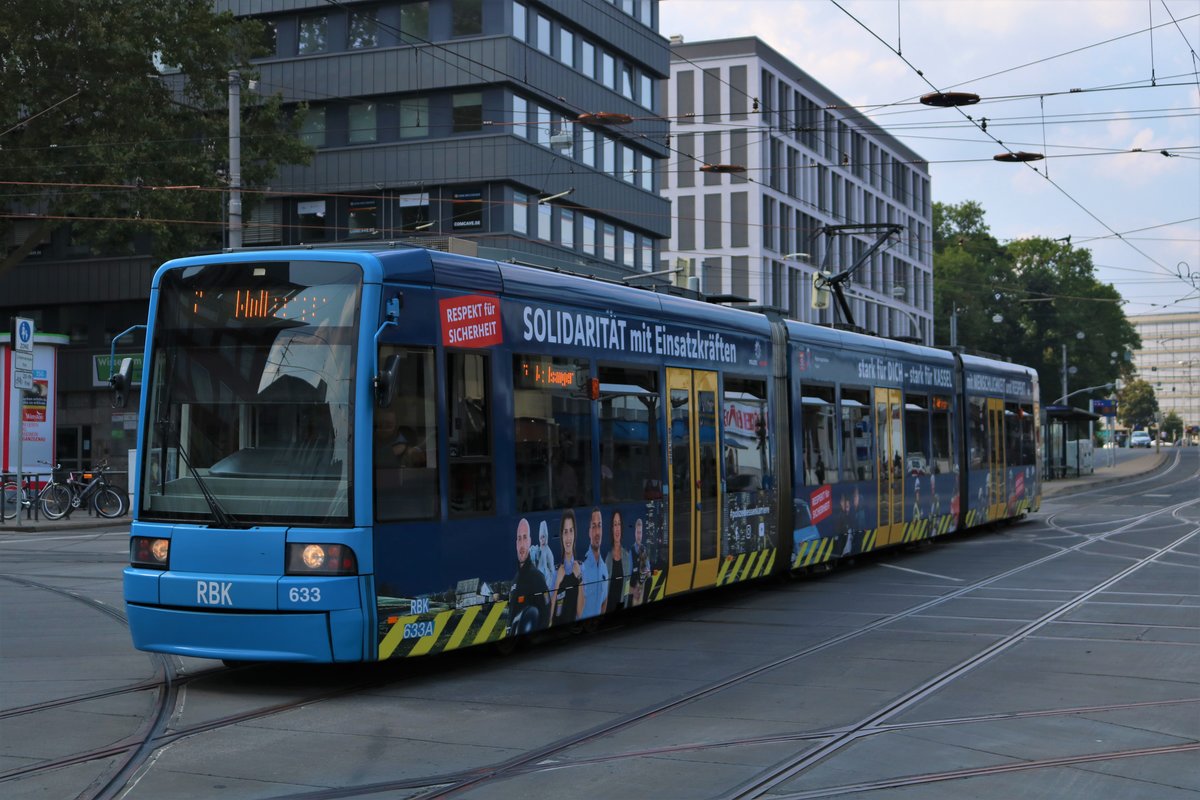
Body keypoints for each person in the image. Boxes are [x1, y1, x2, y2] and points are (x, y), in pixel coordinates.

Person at [506, 518, 549, 635]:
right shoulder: (515, 581)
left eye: (525, 537)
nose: (522, 544)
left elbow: (546, 615)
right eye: (519, 538)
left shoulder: (537, 577)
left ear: (529, 541)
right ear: (516, 544)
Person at [550, 508, 584, 624]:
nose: (568, 537)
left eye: (571, 531)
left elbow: (580, 612)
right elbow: (549, 617)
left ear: (575, 534)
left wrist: (579, 579)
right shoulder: (555, 571)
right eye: (565, 532)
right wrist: (557, 583)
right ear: (561, 535)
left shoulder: (581, 568)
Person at [579, 507, 609, 620]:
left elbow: (604, 601)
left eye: (599, 526)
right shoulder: (581, 566)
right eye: (594, 526)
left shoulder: (604, 568)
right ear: (589, 532)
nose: (597, 532)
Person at [605, 509, 631, 611]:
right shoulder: (607, 557)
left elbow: (627, 587)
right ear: (611, 529)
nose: (617, 529)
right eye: (615, 524)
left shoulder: (626, 556)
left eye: (619, 524)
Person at [629, 517, 649, 606]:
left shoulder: (644, 549)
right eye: (637, 532)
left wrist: (646, 571)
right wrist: (634, 591)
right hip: (633, 593)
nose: (639, 536)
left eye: (640, 533)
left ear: (642, 534)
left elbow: (649, 572)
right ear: (634, 533)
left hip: (642, 590)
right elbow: (627, 577)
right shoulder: (631, 551)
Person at [532, 520, 556, 591]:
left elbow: (552, 569)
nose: (542, 539)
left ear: (546, 537)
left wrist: (549, 582)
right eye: (541, 537)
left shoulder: (548, 551)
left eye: (544, 537)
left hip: (546, 582)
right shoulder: (538, 549)